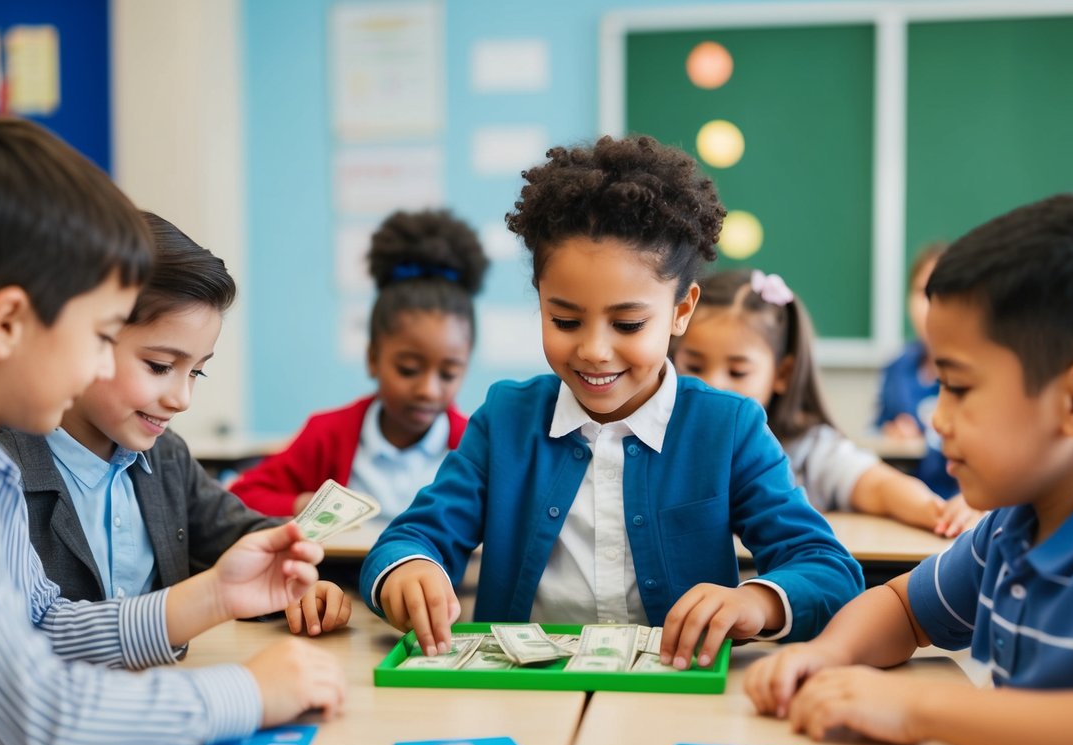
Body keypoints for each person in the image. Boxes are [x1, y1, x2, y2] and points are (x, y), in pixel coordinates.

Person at [361, 135, 863, 671]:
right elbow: (410, 537)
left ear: (680, 310)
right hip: (525, 699)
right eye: (565, 320)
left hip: (673, 701)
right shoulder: (504, 422)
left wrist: (755, 601)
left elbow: (828, 569)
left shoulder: (728, 429)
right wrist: (410, 568)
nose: (595, 351)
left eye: (627, 324)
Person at [743, 194, 1073, 745]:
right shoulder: (1014, 524)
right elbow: (903, 608)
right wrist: (829, 653)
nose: (936, 420)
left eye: (959, 387)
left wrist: (919, 710)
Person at [0, 116, 345, 745]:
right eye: (100, 335)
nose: (95, 367)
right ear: (7, 323)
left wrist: (211, 598)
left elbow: (41, 632)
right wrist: (249, 693)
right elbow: (36, 719)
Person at [0, 212, 350, 636]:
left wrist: (295, 576)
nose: (182, 399)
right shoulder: (0, 469)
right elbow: (26, 637)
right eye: (160, 366)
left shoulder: (166, 457)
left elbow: (238, 534)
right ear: (87, 335)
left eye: (197, 372)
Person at [675, 268, 977, 537]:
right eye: (694, 366)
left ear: (782, 373)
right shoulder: (654, 439)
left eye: (737, 371)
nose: (711, 385)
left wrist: (938, 511)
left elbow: (879, 486)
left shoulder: (809, 450)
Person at [231, 209, 487, 524]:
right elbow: (242, 495)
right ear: (372, 359)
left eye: (448, 373)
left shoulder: (474, 447)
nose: (428, 390)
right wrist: (304, 506)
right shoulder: (328, 435)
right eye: (408, 369)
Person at [875, 242, 959, 497]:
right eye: (922, 292)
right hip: (905, 503)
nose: (930, 304)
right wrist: (889, 433)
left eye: (944, 292)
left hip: (962, 508)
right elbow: (873, 432)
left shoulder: (980, 372)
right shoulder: (897, 368)